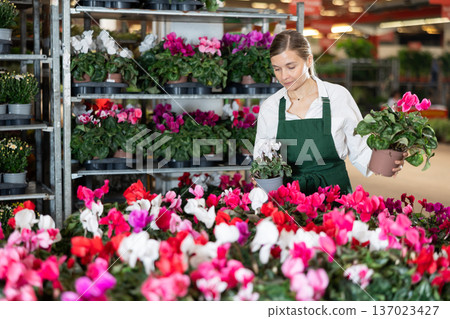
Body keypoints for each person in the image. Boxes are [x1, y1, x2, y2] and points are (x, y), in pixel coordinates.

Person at [254, 30, 405, 196]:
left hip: (336, 198)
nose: (284, 76)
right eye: (277, 69)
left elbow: (360, 149)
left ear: (309, 60)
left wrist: (387, 161)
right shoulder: (270, 108)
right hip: (292, 201)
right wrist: (260, 178)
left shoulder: (337, 97)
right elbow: (261, 161)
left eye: (291, 67)